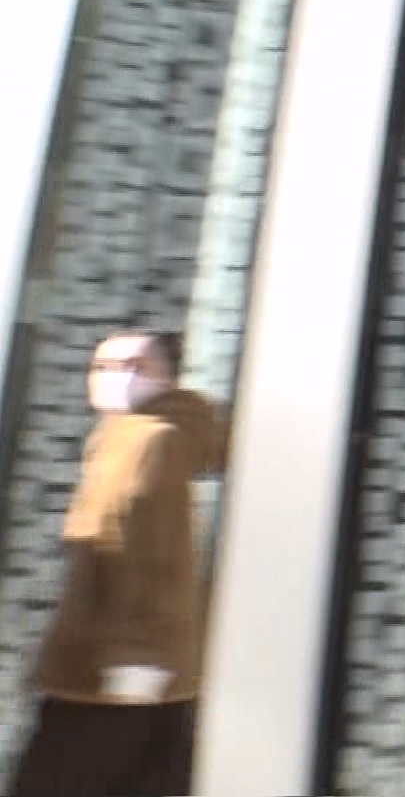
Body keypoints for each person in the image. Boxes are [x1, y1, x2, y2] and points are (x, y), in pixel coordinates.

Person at [9, 329, 229, 797]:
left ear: (168, 380)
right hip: (139, 678)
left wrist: (136, 662)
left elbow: (148, 555)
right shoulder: (129, 438)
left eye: (136, 366)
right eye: (103, 367)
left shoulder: (146, 441)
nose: (117, 377)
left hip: (108, 682)